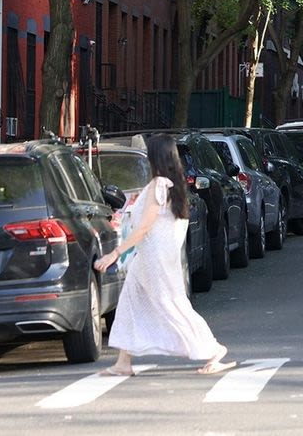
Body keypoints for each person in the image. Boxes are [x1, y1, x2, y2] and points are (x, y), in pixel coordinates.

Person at [93, 134, 235, 376]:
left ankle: (212, 349)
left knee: (170, 305)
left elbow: (146, 226)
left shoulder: (159, 184)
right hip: (152, 256)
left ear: (156, 156)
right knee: (130, 302)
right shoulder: (170, 184)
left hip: (153, 257)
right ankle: (123, 362)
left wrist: (115, 253)